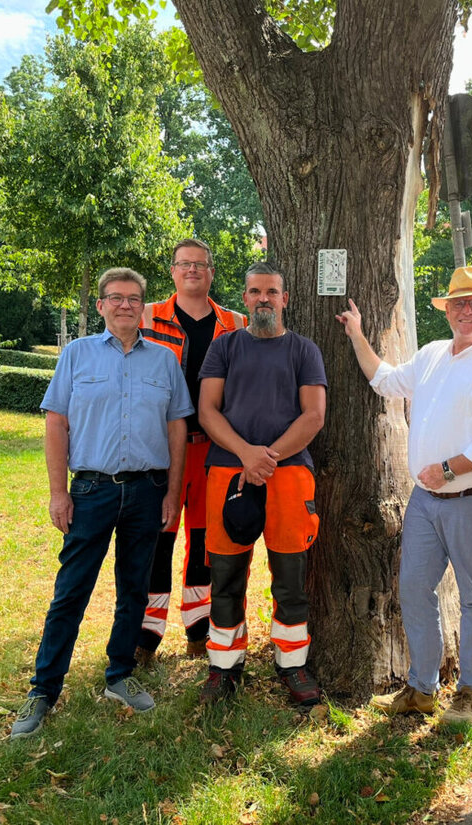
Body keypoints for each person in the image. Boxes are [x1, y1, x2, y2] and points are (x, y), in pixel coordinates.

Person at [336, 265, 472, 725]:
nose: (466, 310)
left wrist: (446, 470)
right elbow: (384, 380)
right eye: (458, 303)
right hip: (425, 502)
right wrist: (358, 334)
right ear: (447, 312)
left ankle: (470, 694)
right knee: (415, 590)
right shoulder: (433, 355)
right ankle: (422, 689)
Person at [10, 268, 193, 740]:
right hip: (90, 491)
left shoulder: (165, 362)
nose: (125, 305)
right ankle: (44, 690)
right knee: (71, 591)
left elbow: (178, 432)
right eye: (116, 298)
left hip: (148, 491)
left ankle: (119, 674)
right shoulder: (76, 355)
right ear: (101, 305)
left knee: (135, 588)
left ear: (144, 306)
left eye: (134, 299)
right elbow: (56, 425)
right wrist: (58, 492)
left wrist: (173, 493)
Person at [196, 261, 327, 706]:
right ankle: (224, 667)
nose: (264, 299)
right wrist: (247, 454)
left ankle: (292, 664)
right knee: (226, 573)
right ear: (245, 298)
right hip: (228, 472)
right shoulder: (224, 347)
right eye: (255, 292)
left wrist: (267, 456)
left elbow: (314, 415)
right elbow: (208, 411)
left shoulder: (304, 350)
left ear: (284, 299)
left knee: (290, 577)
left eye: (272, 291)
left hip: (288, 474)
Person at [134, 239, 246, 664]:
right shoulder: (145, 317)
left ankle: (198, 628)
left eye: (200, 264)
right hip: (159, 449)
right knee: (157, 538)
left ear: (212, 272)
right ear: (173, 272)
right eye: (185, 264)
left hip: (216, 448)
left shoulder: (235, 323)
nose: (193, 271)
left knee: (205, 539)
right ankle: (146, 634)